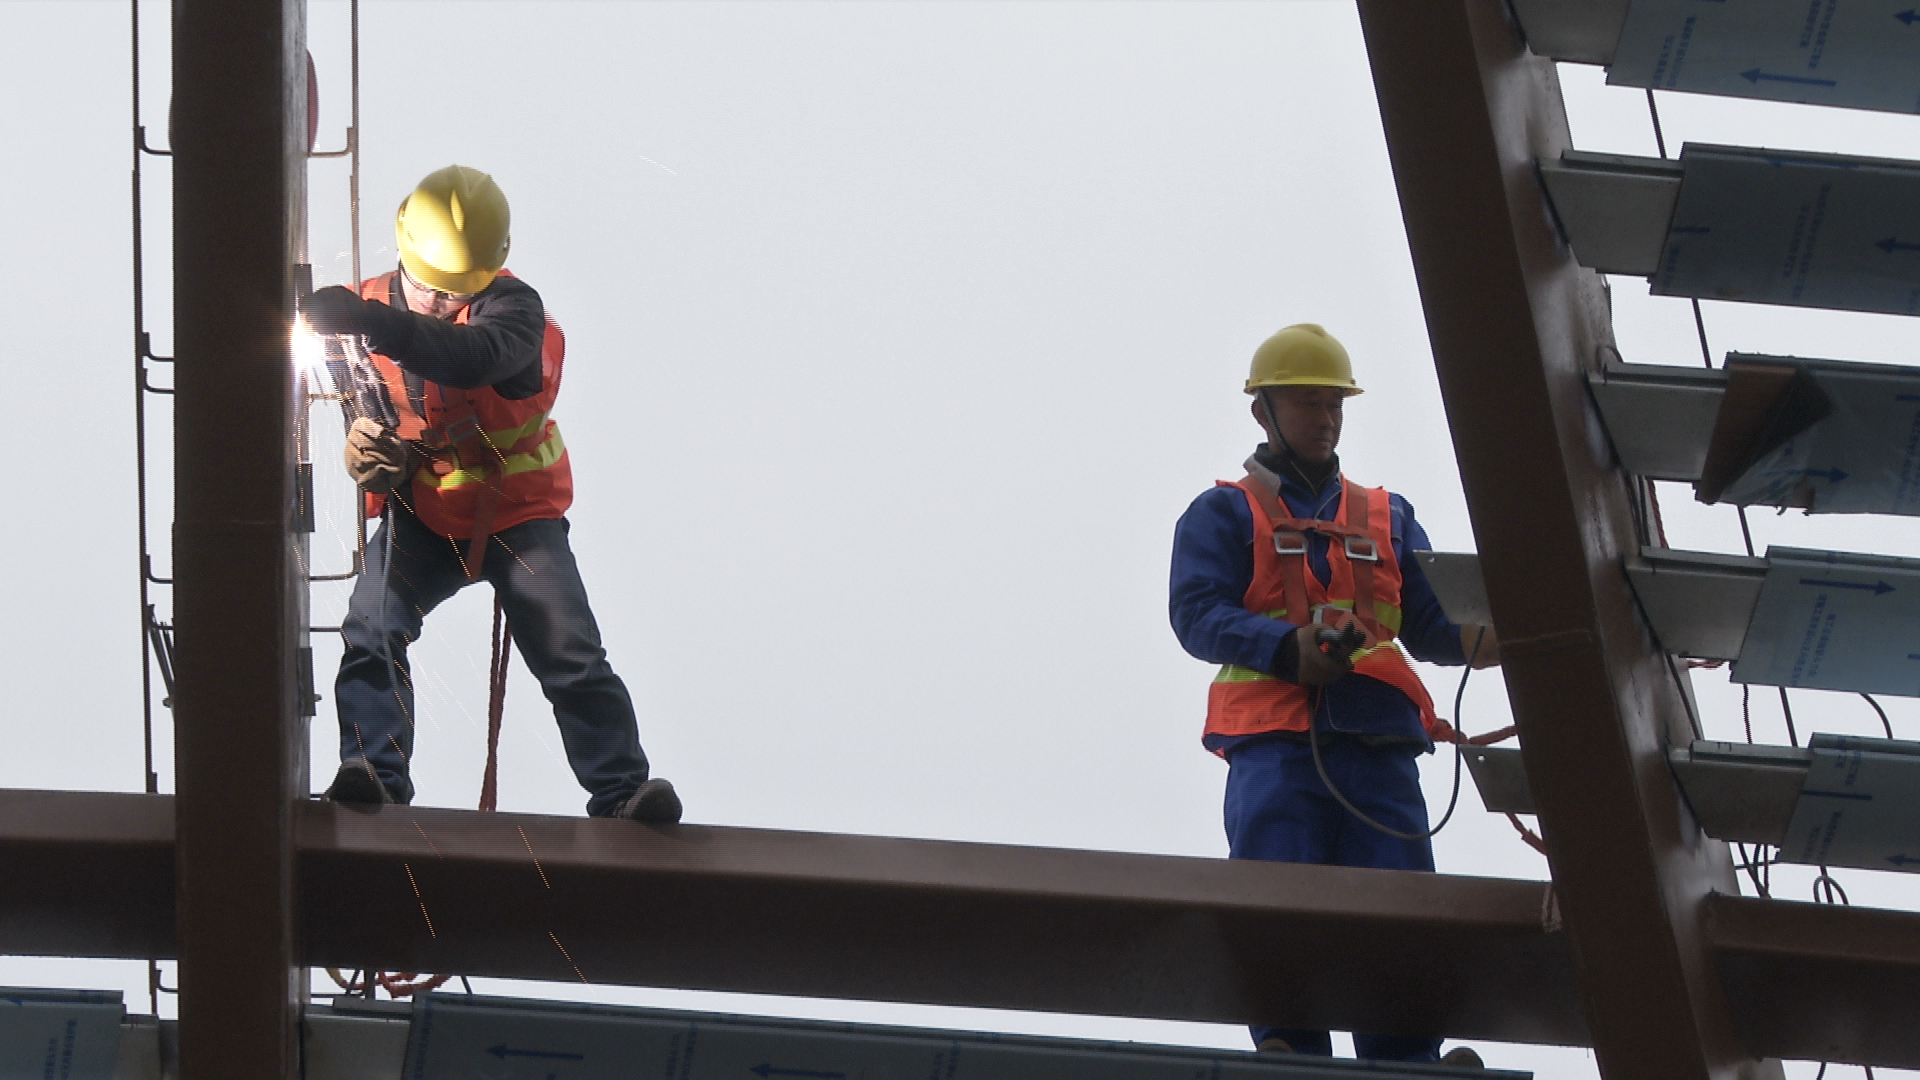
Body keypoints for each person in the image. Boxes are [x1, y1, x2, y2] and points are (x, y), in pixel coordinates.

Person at [303, 164, 680, 824]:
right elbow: (367, 404)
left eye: (456, 290)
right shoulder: (360, 317)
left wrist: (373, 322)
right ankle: (374, 777)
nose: (439, 301)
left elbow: (470, 357)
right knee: (371, 630)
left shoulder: (513, 312)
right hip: (423, 515)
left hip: (519, 519)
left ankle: (623, 793)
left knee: (571, 655)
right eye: (429, 286)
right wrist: (372, 450)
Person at [1168, 323, 1498, 1064]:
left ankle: (1405, 1060)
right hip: (1275, 743)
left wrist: (1494, 636)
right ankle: (1290, 1048)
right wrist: (1286, 649)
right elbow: (1195, 613)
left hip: (1378, 742)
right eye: (1307, 403)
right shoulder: (1223, 513)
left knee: (1399, 901)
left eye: (1334, 404)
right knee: (1277, 892)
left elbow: (1433, 626)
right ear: (1264, 411)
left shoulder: (1388, 514)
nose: (1324, 419)